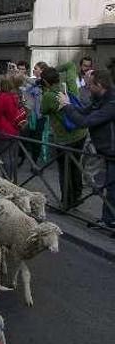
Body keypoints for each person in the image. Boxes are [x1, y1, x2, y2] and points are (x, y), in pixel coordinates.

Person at [58, 67, 115, 233]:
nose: (87, 87)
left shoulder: (111, 104)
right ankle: (108, 220)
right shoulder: (100, 98)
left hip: (112, 150)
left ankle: (110, 221)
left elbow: (84, 122)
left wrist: (67, 106)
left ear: (100, 85)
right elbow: (83, 111)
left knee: (111, 188)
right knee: (110, 187)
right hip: (107, 151)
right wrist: (69, 102)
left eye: (90, 85)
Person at [40, 66, 88, 210]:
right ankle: (77, 196)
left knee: (64, 169)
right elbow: (69, 64)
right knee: (75, 165)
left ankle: (66, 202)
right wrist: (53, 70)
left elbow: (43, 110)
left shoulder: (49, 95)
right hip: (81, 133)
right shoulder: (67, 87)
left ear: (46, 82)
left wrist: (45, 90)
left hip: (65, 138)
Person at [0, 74, 27, 180]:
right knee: (12, 156)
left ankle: (7, 180)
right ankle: (13, 179)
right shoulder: (13, 96)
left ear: (1, 85)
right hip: (14, 130)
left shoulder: (1, 98)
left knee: (4, 157)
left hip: (3, 131)